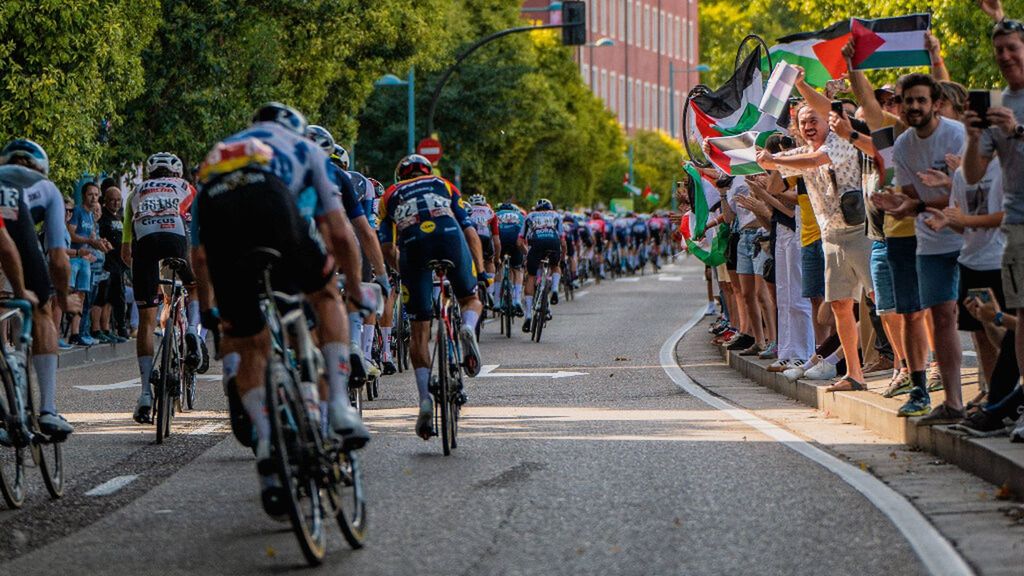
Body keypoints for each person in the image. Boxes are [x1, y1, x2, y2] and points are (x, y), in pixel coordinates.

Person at [193, 103, 370, 518]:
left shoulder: (222, 150)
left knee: (248, 342)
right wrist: (356, 288)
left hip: (221, 216)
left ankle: (268, 438)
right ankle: (340, 407)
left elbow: (200, 257)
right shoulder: (304, 147)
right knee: (326, 294)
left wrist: (208, 311)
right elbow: (339, 230)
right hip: (273, 205)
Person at [757, 103, 872, 392]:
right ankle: (854, 375)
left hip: (860, 231)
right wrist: (764, 158)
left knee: (881, 301)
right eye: (803, 122)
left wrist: (775, 160)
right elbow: (775, 180)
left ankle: (905, 366)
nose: (808, 126)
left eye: (814, 120)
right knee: (839, 306)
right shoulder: (800, 151)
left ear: (828, 122)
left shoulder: (840, 143)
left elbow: (815, 161)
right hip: (830, 237)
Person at [875, 74, 966, 423]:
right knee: (940, 318)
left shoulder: (957, 136)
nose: (913, 106)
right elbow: (915, 195)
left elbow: (971, 194)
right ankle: (947, 400)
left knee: (980, 321)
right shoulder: (903, 146)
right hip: (929, 243)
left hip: (969, 239)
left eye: (920, 100)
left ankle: (992, 395)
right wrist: (898, 202)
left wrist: (917, 205)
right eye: (907, 100)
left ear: (936, 104)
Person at [378, 153, 486, 440]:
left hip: (413, 247)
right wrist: (483, 271)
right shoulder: (445, 185)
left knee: (419, 329)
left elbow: (387, 248)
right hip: (450, 237)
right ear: (427, 171)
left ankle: (425, 399)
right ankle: (466, 326)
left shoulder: (389, 195)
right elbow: (471, 231)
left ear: (401, 177)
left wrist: (402, 271)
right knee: (470, 299)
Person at [964, 17, 1024, 404]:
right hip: (1018, 226)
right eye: (999, 50)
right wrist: (973, 138)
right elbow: (973, 174)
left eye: (1012, 48)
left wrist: (1018, 131)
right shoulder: (997, 102)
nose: (1005, 56)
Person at [123, 153, 205, 423]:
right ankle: (193, 331)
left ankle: (145, 393)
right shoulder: (186, 188)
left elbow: (126, 252)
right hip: (177, 239)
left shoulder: (135, 192)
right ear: (177, 173)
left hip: (145, 245)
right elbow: (196, 234)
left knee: (147, 320)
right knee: (195, 286)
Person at [0, 139, 73, 438]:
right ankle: (48, 410)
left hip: (6, 232)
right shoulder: (47, 188)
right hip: (16, 231)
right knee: (42, 308)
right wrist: (63, 298)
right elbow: (58, 258)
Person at [519, 198, 566, 334]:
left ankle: (528, 314)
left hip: (536, 243)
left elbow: (519, 241)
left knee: (532, 276)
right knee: (555, 266)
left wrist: (527, 254)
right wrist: (562, 258)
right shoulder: (556, 215)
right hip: (553, 242)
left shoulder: (530, 216)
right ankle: (555, 289)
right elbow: (563, 241)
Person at [96, 185, 128, 343]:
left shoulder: (120, 217)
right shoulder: (103, 218)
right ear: (105, 201)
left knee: (116, 297)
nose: (116, 203)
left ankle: (115, 327)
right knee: (103, 296)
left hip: (119, 263)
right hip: (106, 262)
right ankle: (99, 328)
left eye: (118, 200)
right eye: (112, 200)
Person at [467, 193, 500, 306]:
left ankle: (472, 291)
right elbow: (496, 240)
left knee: (470, 262)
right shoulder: (490, 212)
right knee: (489, 262)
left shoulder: (466, 209)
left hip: (471, 237)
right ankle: (490, 292)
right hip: (485, 238)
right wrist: (496, 258)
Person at [497, 202, 527, 314]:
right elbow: (524, 237)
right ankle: (517, 300)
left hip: (500, 241)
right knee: (517, 270)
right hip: (515, 241)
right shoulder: (520, 216)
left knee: (499, 267)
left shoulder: (496, 214)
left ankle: (496, 302)